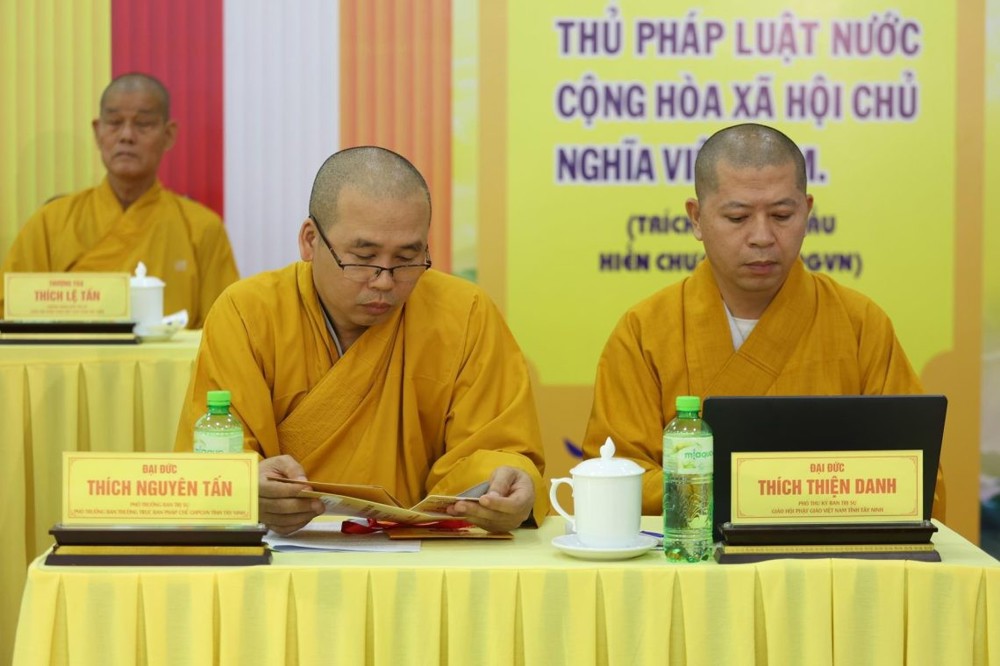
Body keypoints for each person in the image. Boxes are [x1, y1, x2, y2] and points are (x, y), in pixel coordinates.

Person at [174, 146, 547, 534]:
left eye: (406, 258)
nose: (385, 281)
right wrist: (247, 489)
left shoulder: (465, 313)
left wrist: (509, 483)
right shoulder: (248, 313)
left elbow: (496, 450)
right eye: (364, 257)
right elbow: (212, 462)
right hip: (279, 554)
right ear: (310, 240)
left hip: (423, 553)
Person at [583, 123, 945, 518]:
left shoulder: (860, 325)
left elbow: (915, 477)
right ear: (697, 218)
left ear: (807, 212)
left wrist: (757, 487)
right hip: (690, 554)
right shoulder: (644, 332)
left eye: (781, 215)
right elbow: (616, 479)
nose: (762, 236)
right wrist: (773, 488)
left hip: (827, 554)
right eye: (737, 217)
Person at [0, 72, 238, 327]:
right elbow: (11, 313)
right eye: (114, 122)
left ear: (168, 135)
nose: (126, 135)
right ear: (97, 131)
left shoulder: (201, 228)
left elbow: (224, 330)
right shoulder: (51, 222)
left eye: (143, 124)